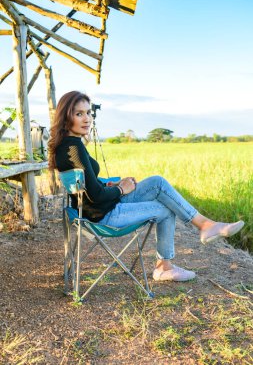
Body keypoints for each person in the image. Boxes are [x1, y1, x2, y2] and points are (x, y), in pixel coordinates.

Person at [48, 91, 245, 282]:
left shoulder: (69, 144)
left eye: (89, 113)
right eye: (79, 114)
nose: (87, 119)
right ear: (66, 117)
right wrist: (121, 189)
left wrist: (110, 184)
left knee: (157, 182)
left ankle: (205, 225)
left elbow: (87, 186)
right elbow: (96, 196)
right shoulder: (73, 148)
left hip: (93, 208)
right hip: (103, 215)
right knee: (166, 210)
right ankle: (164, 267)